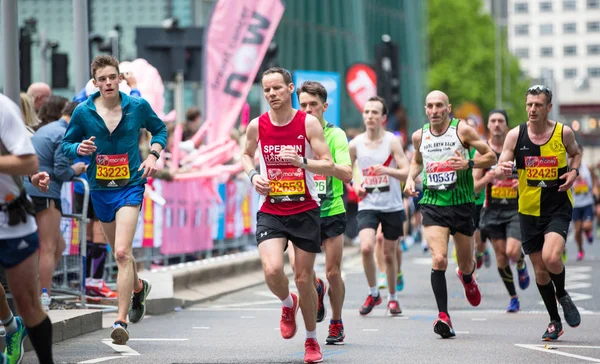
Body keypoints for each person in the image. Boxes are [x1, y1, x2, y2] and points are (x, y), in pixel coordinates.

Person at [61, 55, 167, 345]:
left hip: (130, 185)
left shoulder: (137, 106)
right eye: (102, 79)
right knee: (118, 252)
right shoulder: (83, 112)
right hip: (100, 189)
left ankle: (120, 321)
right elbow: (66, 146)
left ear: (120, 78)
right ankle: (138, 287)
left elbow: (159, 130)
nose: (108, 83)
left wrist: (154, 155)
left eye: (112, 77)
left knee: (121, 252)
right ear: (95, 84)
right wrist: (78, 148)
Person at [241, 67, 336, 363]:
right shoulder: (257, 125)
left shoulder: (307, 123)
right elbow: (245, 154)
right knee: (271, 270)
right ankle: (287, 303)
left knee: (304, 278)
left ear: (290, 89)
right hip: (271, 207)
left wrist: (302, 161)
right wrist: (254, 175)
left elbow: (328, 163)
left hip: (304, 208)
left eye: (277, 88)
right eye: (267, 90)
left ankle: (311, 340)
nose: (271, 94)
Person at [404, 90, 496, 338]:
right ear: (425, 109)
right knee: (439, 259)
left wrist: (469, 164)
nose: (434, 110)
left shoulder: (462, 130)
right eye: (430, 106)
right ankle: (443, 316)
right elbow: (417, 161)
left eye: (439, 106)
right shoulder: (418, 136)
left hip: (462, 203)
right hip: (433, 204)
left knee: (466, 263)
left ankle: (467, 277)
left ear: (448, 108)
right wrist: (410, 179)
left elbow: (491, 156)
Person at [496, 85, 581, 340]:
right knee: (540, 271)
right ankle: (555, 320)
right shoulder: (516, 135)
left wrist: (574, 172)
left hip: (557, 207)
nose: (533, 109)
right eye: (529, 104)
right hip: (529, 210)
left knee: (552, 258)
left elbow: (576, 154)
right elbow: (504, 160)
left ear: (548, 107)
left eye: (538, 105)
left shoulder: (562, 132)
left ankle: (563, 293)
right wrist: (504, 166)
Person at [285, 81, 352, 345]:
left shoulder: (336, 136)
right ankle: (316, 287)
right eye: (303, 105)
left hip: (330, 210)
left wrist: (317, 165)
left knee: (334, 271)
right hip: (300, 211)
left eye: (313, 104)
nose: (308, 109)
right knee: (297, 269)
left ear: (325, 106)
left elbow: (346, 173)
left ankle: (336, 322)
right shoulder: (292, 134)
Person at [0, 92, 55, 363]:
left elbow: (28, 160)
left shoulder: (2, 108)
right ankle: (10, 326)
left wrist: (33, 175)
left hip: (11, 221)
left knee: (27, 303)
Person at [349, 96, 410, 317]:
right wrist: (356, 185)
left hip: (391, 205)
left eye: (375, 112)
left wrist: (388, 171)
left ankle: (393, 298)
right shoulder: (355, 144)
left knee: (388, 254)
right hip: (368, 204)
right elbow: (347, 172)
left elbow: (406, 171)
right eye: (366, 112)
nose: (370, 116)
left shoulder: (392, 142)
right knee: (366, 247)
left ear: (383, 118)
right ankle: (373, 292)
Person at [24, 101, 87, 297]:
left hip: (33, 189)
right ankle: (43, 297)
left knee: (59, 245)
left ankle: (38, 290)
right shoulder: (64, 134)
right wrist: (74, 170)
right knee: (49, 247)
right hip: (45, 192)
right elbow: (61, 170)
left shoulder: (48, 129)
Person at [473, 109, 530, 313]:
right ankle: (513, 297)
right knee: (501, 256)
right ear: (488, 125)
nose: (497, 124)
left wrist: (522, 186)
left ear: (506, 125)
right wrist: (487, 178)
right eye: (493, 121)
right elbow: (474, 187)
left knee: (512, 251)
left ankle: (521, 262)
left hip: (515, 209)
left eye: (500, 121)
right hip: (492, 210)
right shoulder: (483, 151)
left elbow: (531, 175)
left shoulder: (518, 148)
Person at [466, 117, 491, 269]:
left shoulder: (481, 149)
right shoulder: (458, 147)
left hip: (480, 199)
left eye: (472, 127)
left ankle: (482, 251)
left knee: (479, 239)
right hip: (464, 199)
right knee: (469, 237)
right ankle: (472, 273)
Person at [570, 148, 595, 261]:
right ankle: (580, 250)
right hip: (576, 204)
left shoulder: (587, 168)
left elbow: (594, 179)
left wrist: (594, 188)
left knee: (586, 226)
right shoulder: (569, 169)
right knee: (578, 230)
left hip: (587, 202)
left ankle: (588, 231)